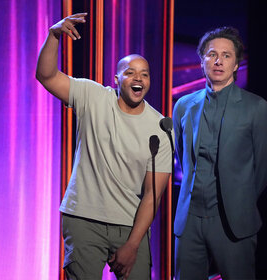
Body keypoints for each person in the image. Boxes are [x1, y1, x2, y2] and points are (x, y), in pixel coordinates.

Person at [36, 13, 171, 280]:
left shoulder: (160, 127)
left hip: (130, 226)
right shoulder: (93, 96)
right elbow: (46, 75)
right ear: (117, 78)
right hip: (83, 219)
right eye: (130, 72)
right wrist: (54, 35)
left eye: (144, 74)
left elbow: (152, 196)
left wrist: (132, 245)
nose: (138, 78)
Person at [173, 26, 267, 279]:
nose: (218, 61)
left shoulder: (256, 107)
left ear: (236, 65)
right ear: (202, 62)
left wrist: (240, 198)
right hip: (190, 219)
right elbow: (182, 156)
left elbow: (264, 166)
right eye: (211, 54)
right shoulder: (184, 106)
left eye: (226, 55)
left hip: (233, 219)